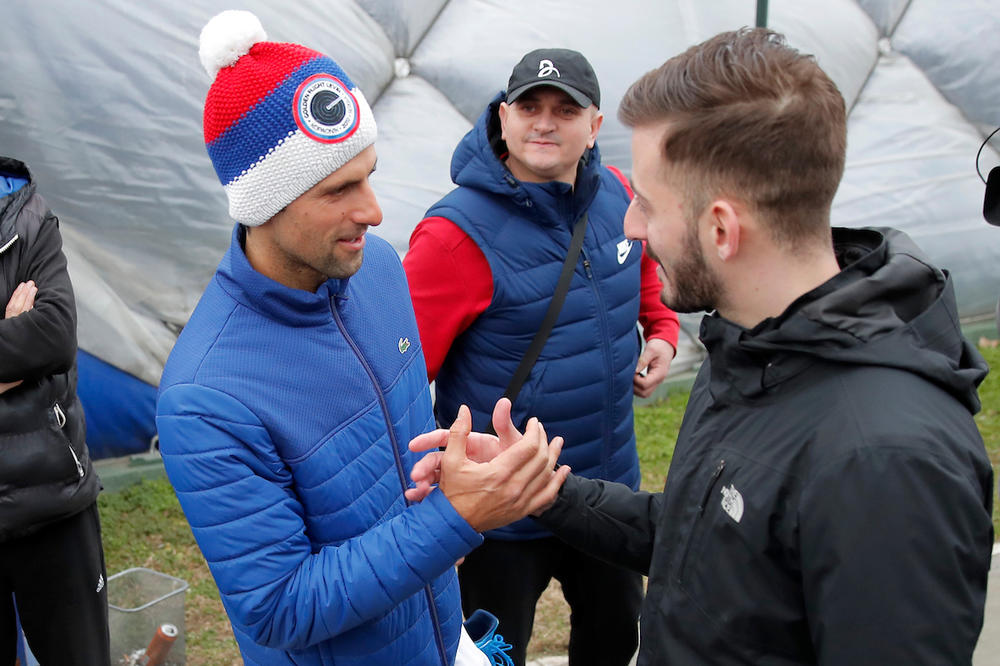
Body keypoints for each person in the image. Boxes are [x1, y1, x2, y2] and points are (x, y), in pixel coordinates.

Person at [409, 28, 995, 665]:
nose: (629, 225)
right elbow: (698, 531)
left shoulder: (884, 462)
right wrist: (545, 488)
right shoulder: (747, 357)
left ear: (720, 228)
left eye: (651, 206)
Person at [155, 11, 568, 666]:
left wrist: (450, 474)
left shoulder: (375, 270)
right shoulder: (206, 394)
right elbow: (278, 607)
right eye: (340, 189)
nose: (373, 211)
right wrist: (452, 518)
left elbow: (394, 450)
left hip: (439, 632)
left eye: (370, 175)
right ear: (264, 202)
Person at [403, 47, 680, 666]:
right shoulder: (453, 236)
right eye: (529, 107)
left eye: (565, 109)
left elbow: (642, 269)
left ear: (595, 127)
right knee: (494, 657)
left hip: (607, 494)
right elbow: (397, 377)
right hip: (502, 509)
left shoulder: (618, 195)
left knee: (616, 645)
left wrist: (660, 330)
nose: (544, 123)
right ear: (503, 118)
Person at [0, 157, 109, 664]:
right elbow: (27, 347)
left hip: (52, 500)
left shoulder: (24, 217)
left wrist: (29, 344)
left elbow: (52, 337)